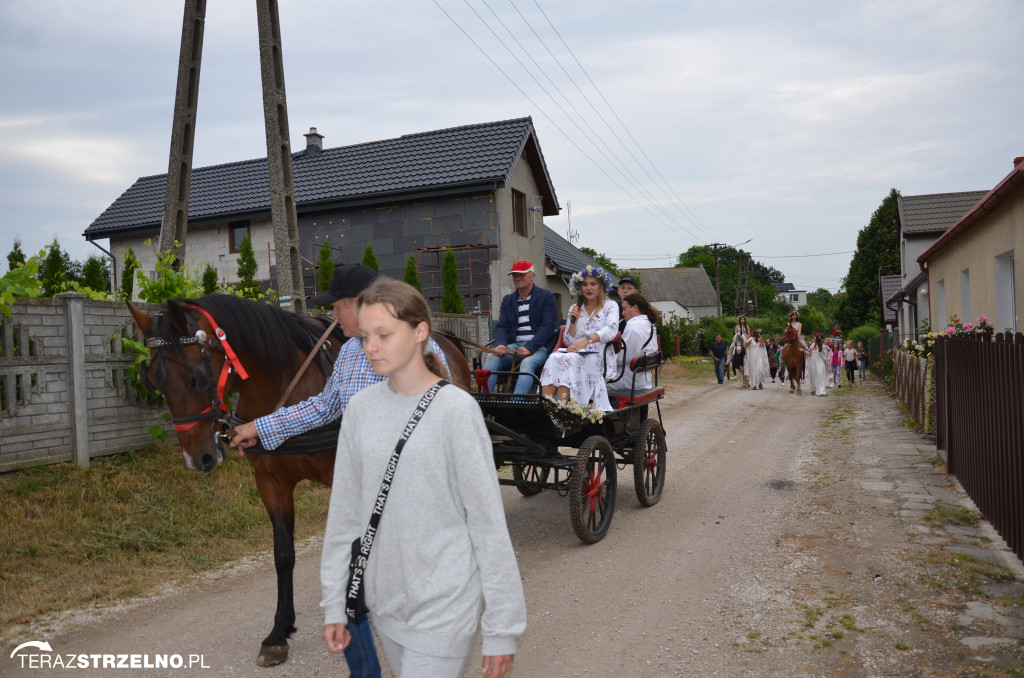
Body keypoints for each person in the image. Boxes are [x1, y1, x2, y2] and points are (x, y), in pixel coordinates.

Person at [229, 264, 451, 678]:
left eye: (337, 307)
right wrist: (257, 428)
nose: (332, 316)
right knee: (353, 593)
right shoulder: (349, 352)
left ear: (361, 305)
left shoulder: (417, 349)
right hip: (363, 495)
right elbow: (324, 407)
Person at [321, 279, 526, 678]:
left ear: (419, 332)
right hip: (387, 603)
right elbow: (343, 517)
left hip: (445, 605)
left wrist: (502, 627)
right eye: (365, 336)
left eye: (383, 334)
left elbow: (486, 524)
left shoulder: (456, 410)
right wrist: (334, 603)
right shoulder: (361, 410)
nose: (371, 347)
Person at [540, 265, 619, 411]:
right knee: (553, 358)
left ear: (600, 286)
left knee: (570, 360)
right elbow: (569, 341)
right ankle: (546, 406)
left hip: (598, 354)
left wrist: (586, 341)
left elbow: (611, 330)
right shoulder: (574, 308)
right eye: (584, 284)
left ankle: (562, 409)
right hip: (576, 352)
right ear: (580, 288)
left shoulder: (610, 306)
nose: (588, 288)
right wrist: (572, 322)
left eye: (593, 284)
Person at [483, 260, 557, 394]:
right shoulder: (508, 300)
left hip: (539, 347)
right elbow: (502, 326)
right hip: (515, 347)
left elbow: (548, 327)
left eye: (522, 274)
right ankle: (483, 400)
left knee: (527, 363)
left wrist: (529, 347)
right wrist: (500, 344)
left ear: (532, 276)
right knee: (491, 357)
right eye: (514, 275)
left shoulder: (547, 297)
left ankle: (517, 402)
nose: (517, 278)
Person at [607, 293, 659, 392]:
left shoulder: (634, 327)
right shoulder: (648, 324)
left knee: (592, 384)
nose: (622, 313)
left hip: (628, 381)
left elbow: (622, 359)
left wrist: (606, 357)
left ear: (635, 308)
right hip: (643, 380)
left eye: (625, 309)